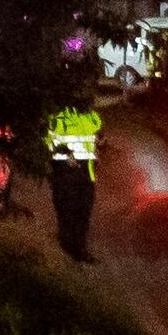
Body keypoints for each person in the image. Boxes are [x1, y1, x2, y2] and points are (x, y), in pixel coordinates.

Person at [41, 100, 104, 262]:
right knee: (67, 211)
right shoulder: (60, 117)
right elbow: (49, 142)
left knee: (83, 213)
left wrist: (101, 144)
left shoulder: (92, 116)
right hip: (66, 173)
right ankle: (68, 249)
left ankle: (79, 249)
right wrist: (64, 157)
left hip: (86, 173)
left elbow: (100, 136)